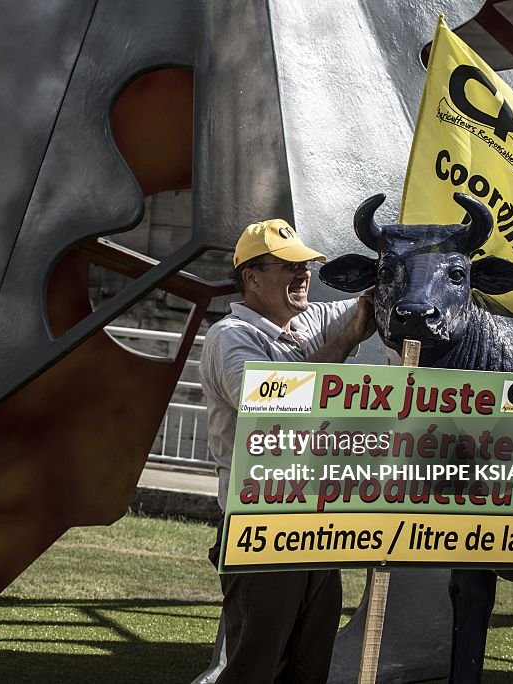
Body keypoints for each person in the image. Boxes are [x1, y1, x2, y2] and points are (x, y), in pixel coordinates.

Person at [199, 218, 375, 683]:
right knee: (252, 669)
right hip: (260, 525)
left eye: (306, 265)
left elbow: (373, 302)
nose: (304, 275)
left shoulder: (305, 318)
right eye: (289, 266)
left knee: (308, 667)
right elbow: (269, 402)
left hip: (316, 526)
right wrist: (343, 342)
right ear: (251, 278)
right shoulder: (229, 336)